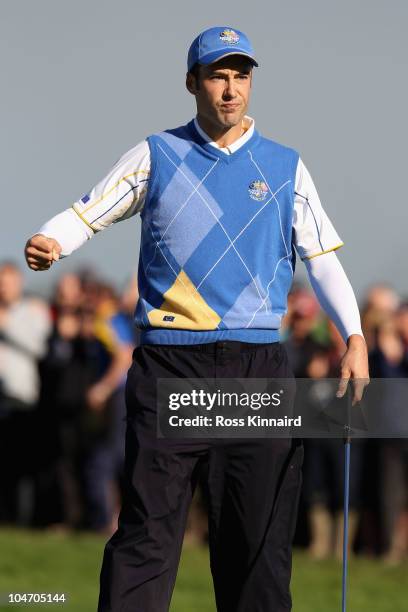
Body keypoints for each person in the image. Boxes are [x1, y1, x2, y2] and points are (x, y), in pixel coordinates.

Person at [24, 26, 369, 612]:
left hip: (256, 372)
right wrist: (52, 239)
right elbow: (91, 211)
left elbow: (322, 263)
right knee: (148, 537)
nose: (230, 90)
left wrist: (354, 336)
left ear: (251, 83)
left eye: (241, 76)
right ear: (192, 84)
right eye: (217, 75)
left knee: (255, 543)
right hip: (170, 368)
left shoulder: (286, 167)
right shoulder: (157, 153)